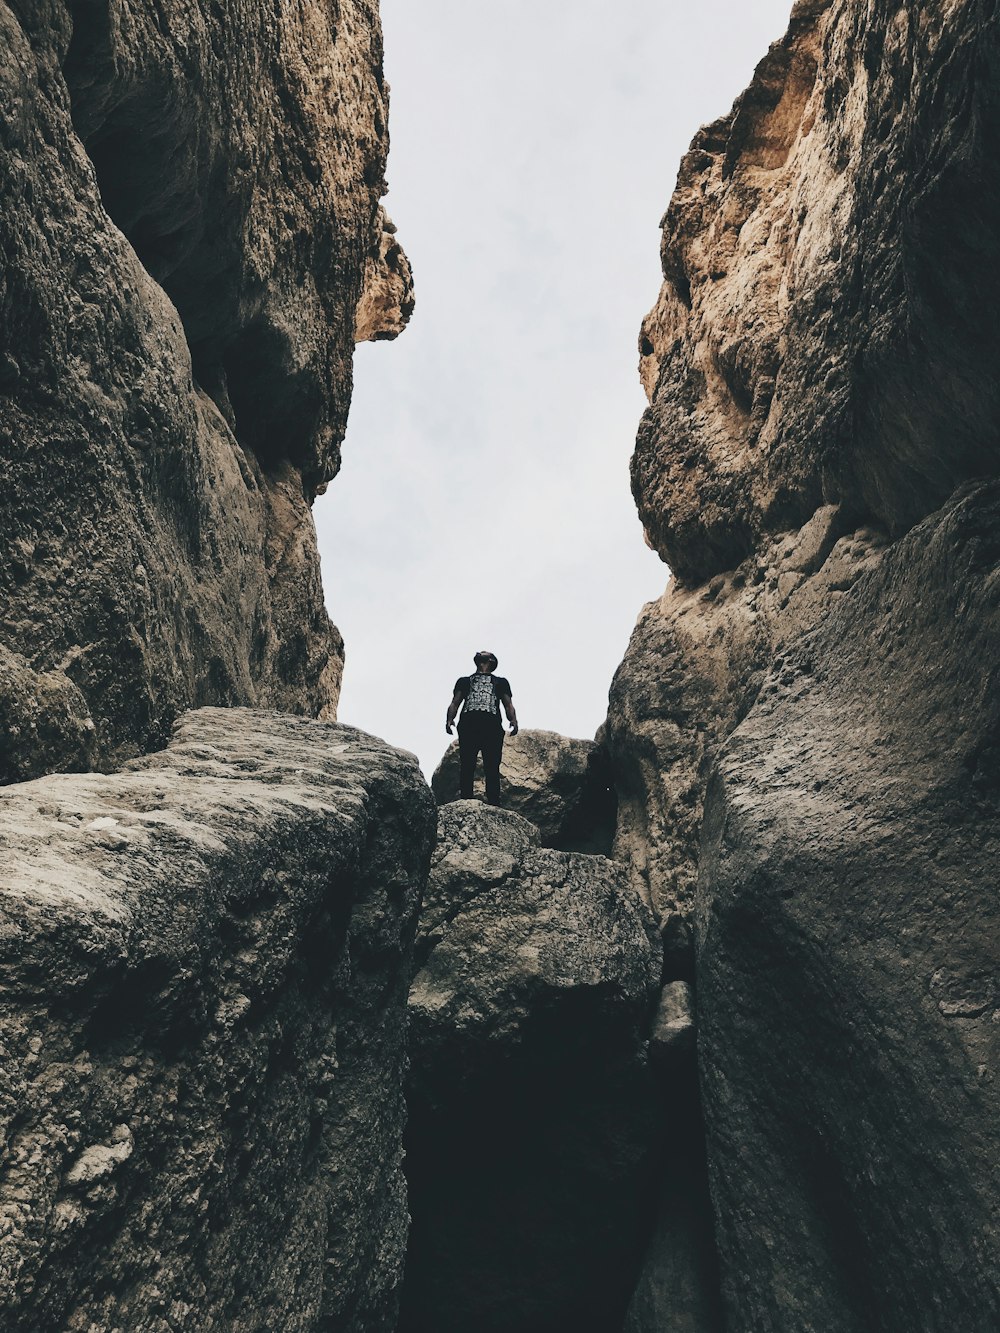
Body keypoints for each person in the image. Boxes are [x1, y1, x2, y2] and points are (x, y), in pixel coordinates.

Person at [446, 651, 518, 804]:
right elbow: (455, 702)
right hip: (468, 725)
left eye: (485, 652)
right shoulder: (464, 681)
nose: (480, 651)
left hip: (491, 727)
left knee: (491, 765)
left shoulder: (501, 682)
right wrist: (449, 719)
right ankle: (466, 799)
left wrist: (513, 719)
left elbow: (508, 704)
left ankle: (493, 801)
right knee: (467, 764)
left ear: (491, 660)